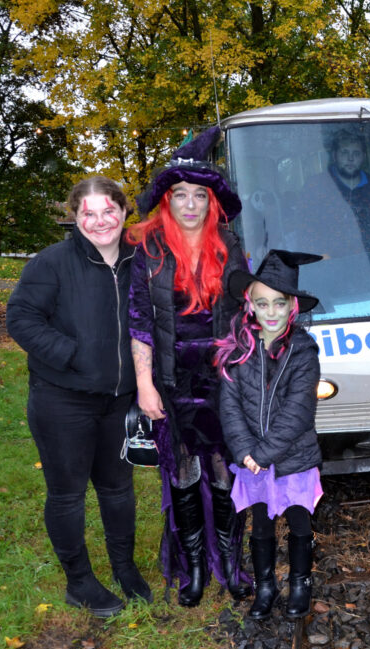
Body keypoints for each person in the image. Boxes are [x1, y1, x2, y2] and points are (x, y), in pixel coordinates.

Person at [7, 176, 149, 617]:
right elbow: (21, 318)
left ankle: (124, 567)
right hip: (62, 399)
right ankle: (80, 581)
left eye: (108, 210)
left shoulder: (141, 261)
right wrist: (72, 355)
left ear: (125, 212)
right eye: (87, 212)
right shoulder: (51, 263)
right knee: (67, 493)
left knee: (117, 488)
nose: (99, 220)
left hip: (118, 401)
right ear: (75, 216)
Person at [128, 127, 252, 607]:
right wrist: (144, 383)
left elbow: (246, 312)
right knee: (182, 475)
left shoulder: (229, 244)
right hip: (172, 378)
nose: (190, 204)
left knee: (225, 474)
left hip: (222, 378)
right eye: (179, 195)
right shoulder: (150, 249)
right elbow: (139, 319)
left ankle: (231, 563)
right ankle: (194, 569)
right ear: (167, 201)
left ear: (212, 203)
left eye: (199, 195)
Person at [217, 250, 324, 620]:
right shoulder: (237, 351)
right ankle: (265, 586)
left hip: (292, 457)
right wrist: (246, 450)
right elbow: (229, 406)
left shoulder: (303, 351)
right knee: (260, 522)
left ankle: (299, 583)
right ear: (251, 305)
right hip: (251, 459)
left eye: (279, 303)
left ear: (292, 306)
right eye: (263, 304)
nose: (272, 312)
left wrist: (262, 454)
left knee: (298, 521)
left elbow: (298, 412)